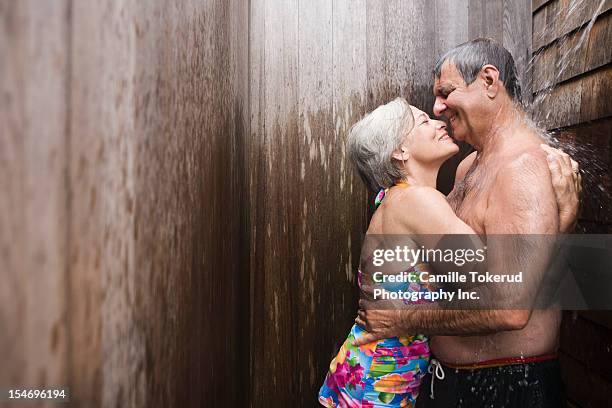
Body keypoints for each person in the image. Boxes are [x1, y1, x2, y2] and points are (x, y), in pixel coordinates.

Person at [353, 38, 581, 408]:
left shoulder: (522, 168)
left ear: (489, 82)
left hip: (505, 384)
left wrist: (402, 319)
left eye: (445, 93)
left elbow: (509, 305)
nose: (437, 107)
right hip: (449, 380)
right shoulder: (466, 168)